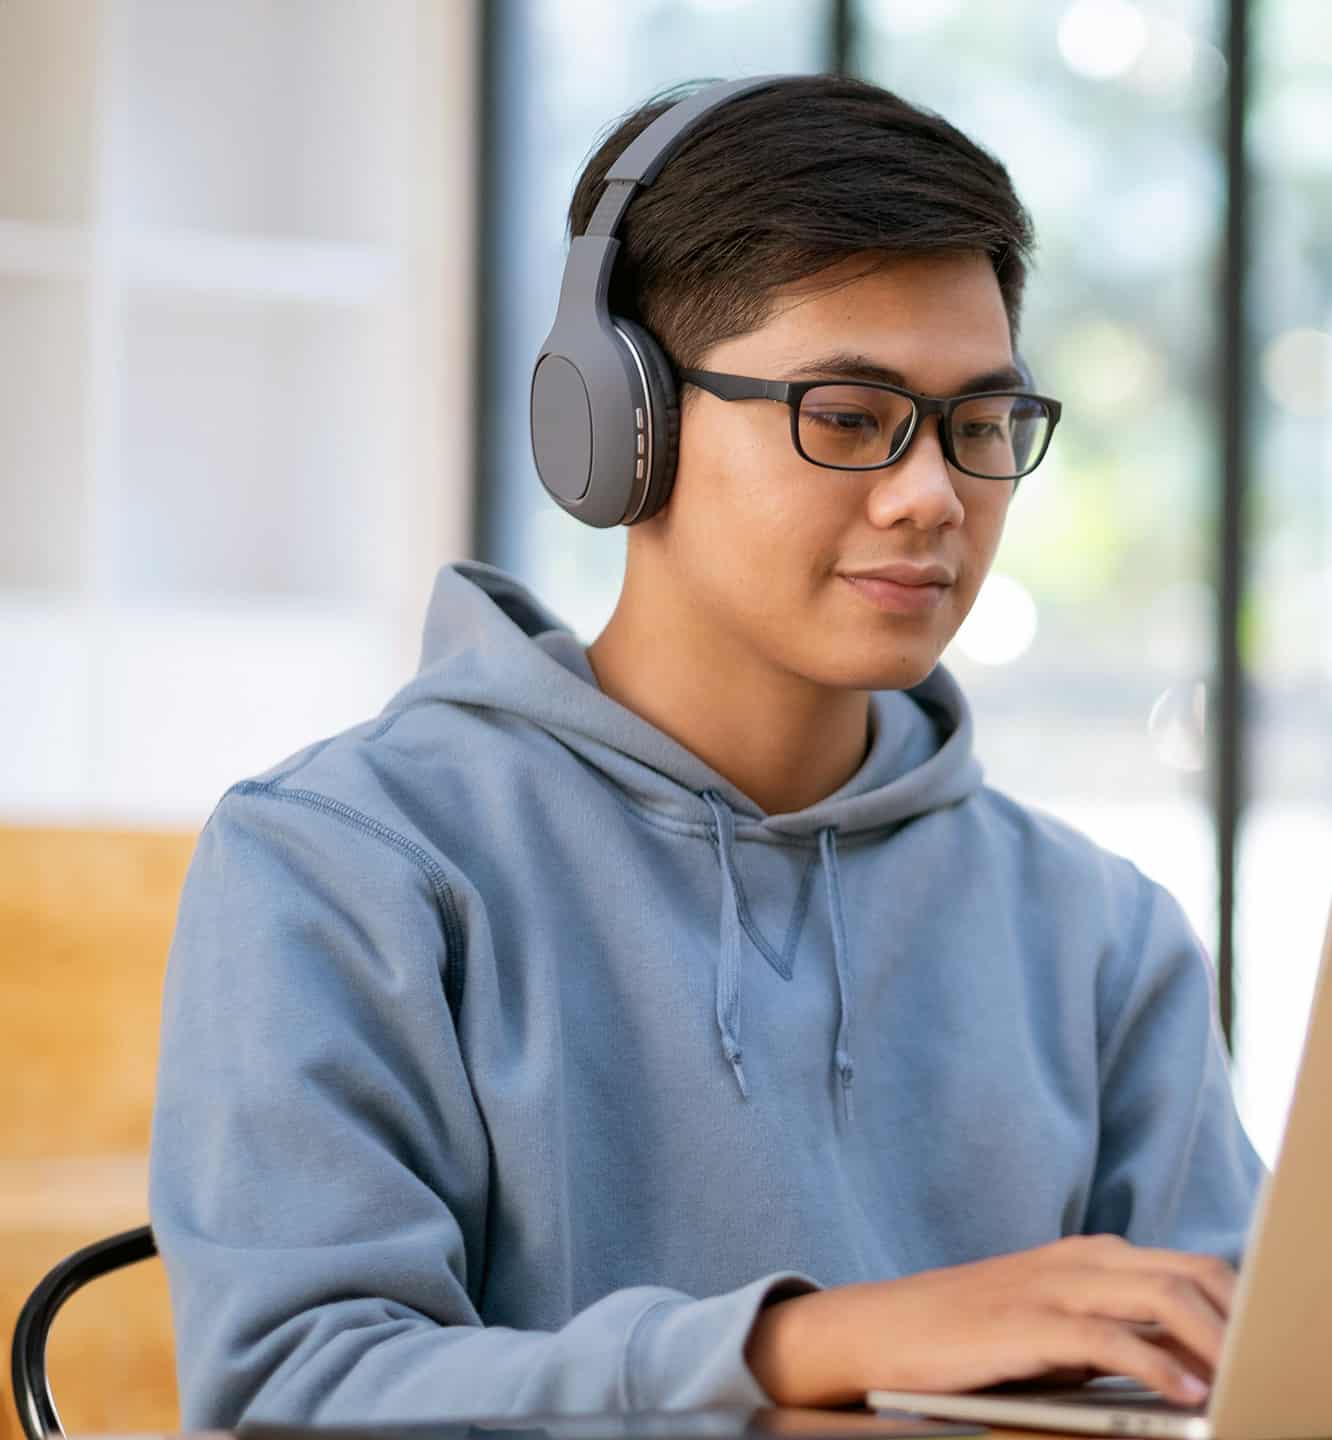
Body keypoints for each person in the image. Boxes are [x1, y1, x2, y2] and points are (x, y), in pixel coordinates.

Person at [149, 74, 1262, 1429]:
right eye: (848, 417)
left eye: (980, 426)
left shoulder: (1098, 934)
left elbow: (1243, 1376)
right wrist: (799, 1348)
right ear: (621, 427)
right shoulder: (343, 863)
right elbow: (291, 1395)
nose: (932, 497)